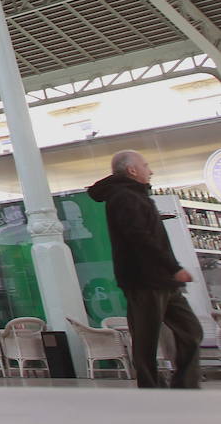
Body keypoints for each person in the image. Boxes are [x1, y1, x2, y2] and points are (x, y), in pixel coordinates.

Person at [87, 150, 202, 388]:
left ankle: (184, 385)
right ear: (132, 170)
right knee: (146, 337)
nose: (151, 170)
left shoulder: (137, 196)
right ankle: (150, 387)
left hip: (163, 280)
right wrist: (173, 267)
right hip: (144, 279)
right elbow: (139, 237)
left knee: (190, 330)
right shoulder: (124, 197)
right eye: (146, 165)